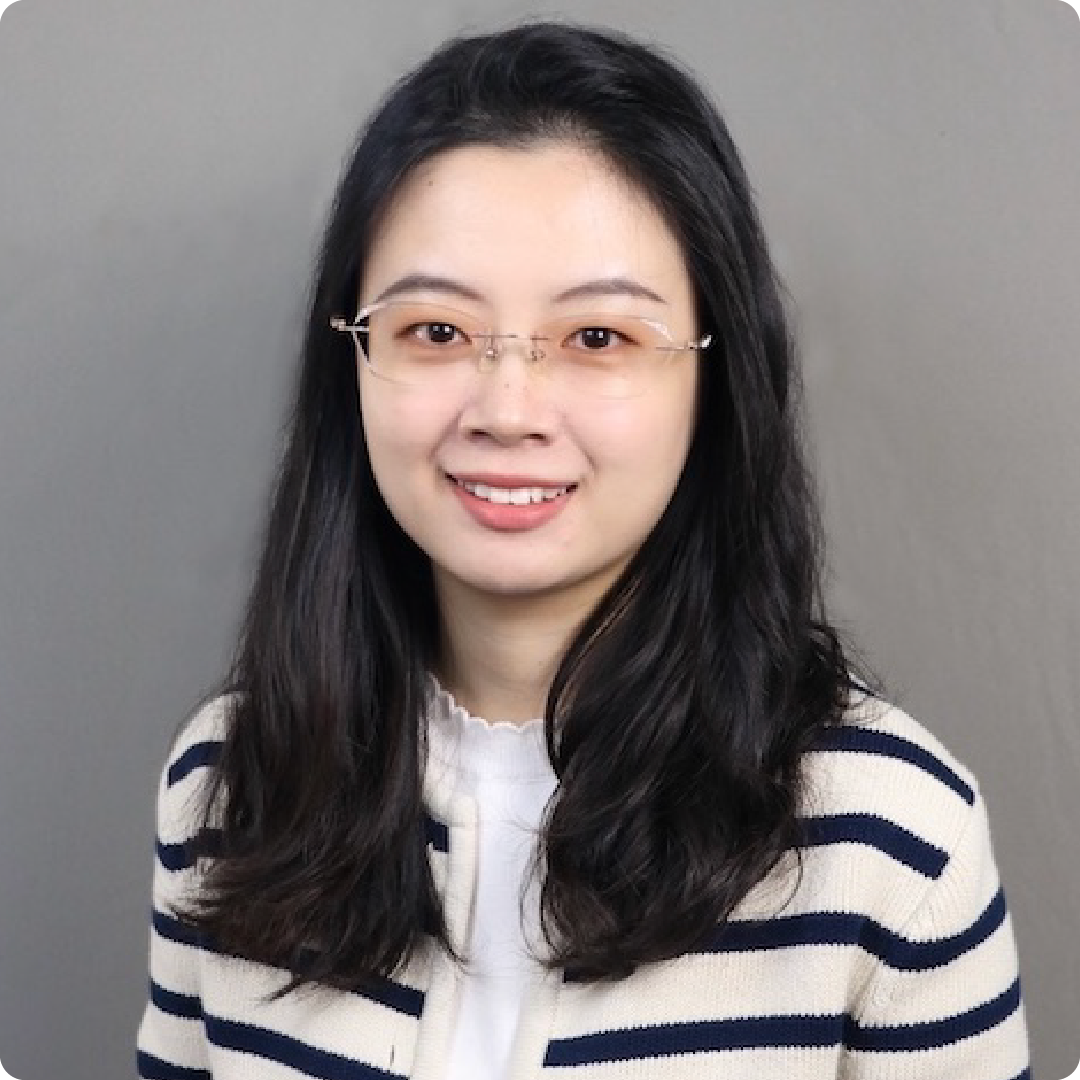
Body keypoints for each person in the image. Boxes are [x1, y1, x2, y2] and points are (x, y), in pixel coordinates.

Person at [136, 21, 1029, 1080]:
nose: (508, 409)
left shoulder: (891, 840)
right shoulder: (230, 782)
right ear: (354, 360)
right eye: (435, 332)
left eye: (598, 338)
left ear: (717, 376)